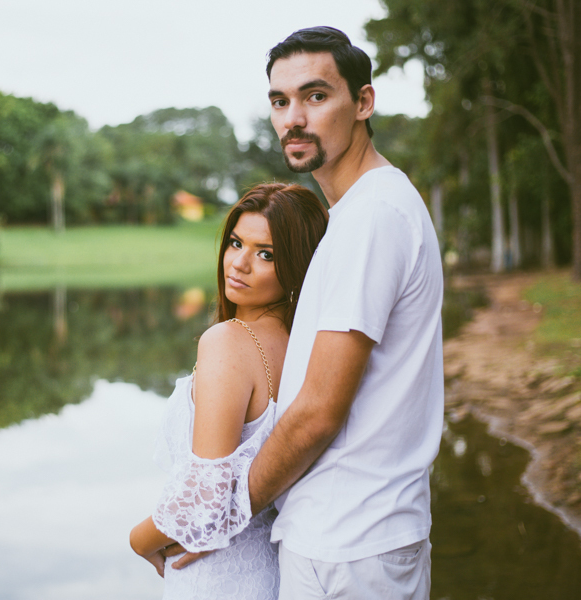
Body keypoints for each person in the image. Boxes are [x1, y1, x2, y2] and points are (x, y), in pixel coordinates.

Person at [169, 27, 444, 600]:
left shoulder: (372, 216)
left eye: (316, 96)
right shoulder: (356, 213)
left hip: (350, 544)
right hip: (348, 537)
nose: (294, 117)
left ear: (363, 103)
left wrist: (224, 514)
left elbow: (319, 409)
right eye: (280, 100)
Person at [129, 183, 328, 600]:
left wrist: (139, 539)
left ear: (296, 266)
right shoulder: (305, 346)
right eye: (236, 242)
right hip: (270, 571)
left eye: (266, 254)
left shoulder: (227, 341)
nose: (239, 263)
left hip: (213, 574)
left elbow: (204, 495)